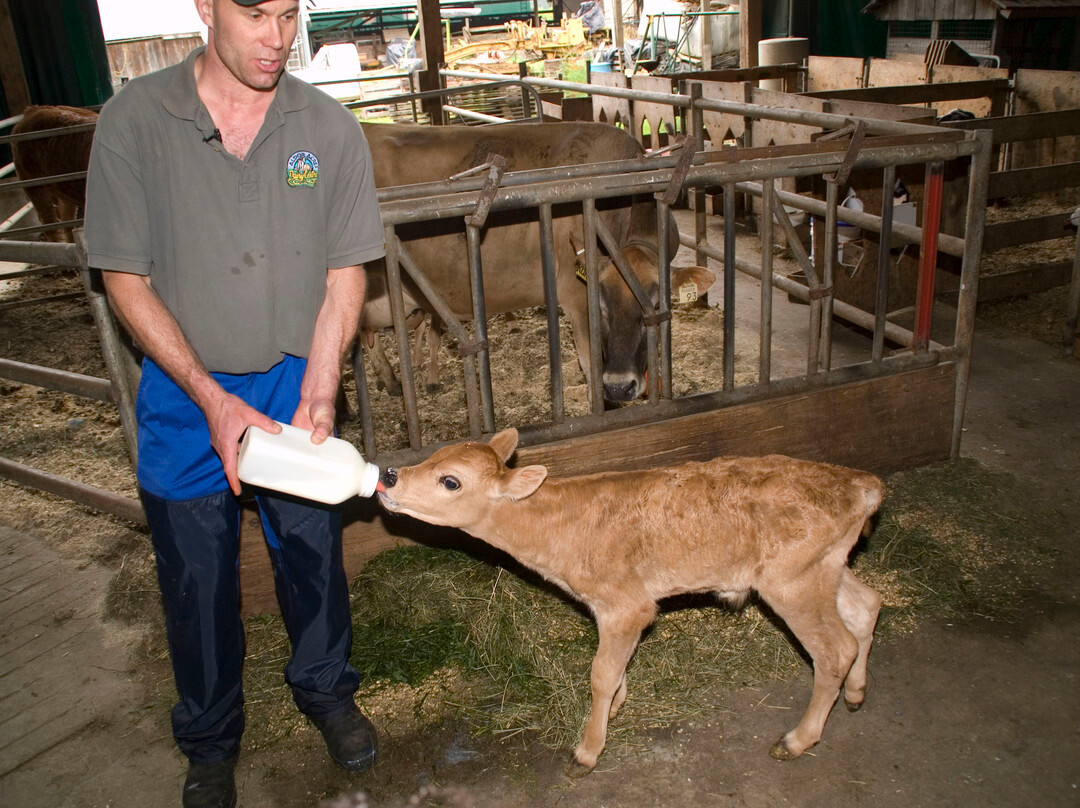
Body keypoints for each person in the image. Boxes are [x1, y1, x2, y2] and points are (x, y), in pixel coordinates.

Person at [83, 1, 385, 806]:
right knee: (196, 573)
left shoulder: (327, 127)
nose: (278, 38)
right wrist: (211, 397)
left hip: (291, 374)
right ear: (204, 7)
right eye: (254, 13)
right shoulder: (134, 122)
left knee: (314, 552)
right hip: (187, 390)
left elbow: (346, 271)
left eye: (291, 13)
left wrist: (322, 385)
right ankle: (211, 738)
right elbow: (124, 278)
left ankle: (327, 693)